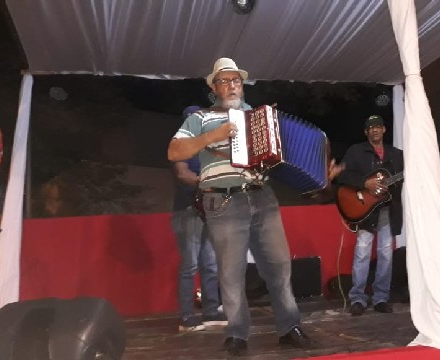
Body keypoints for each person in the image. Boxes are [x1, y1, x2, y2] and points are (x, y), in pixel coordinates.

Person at [168, 57, 312, 356]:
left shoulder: (259, 117)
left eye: (236, 80)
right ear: (213, 86)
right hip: (223, 199)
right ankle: (237, 334)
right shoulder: (201, 118)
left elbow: (280, 158)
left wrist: (311, 170)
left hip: (262, 195)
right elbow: (174, 151)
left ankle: (289, 327)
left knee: (279, 266)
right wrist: (212, 136)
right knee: (231, 272)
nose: (232, 85)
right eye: (225, 80)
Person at [336, 114, 404, 316]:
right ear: (366, 132)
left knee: (385, 254)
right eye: (370, 127)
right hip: (365, 210)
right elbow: (343, 175)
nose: (374, 130)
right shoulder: (356, 151)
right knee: (362, 252)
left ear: (384, 129)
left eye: (378, 126)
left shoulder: (397, 155)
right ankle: (357, 298)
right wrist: (364, 183)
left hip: (387, 209)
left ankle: (381, 298)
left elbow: (403, 179)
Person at [170, 151, 227, 332]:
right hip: (188, 210)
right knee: (190, 265)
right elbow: (182, 173)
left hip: (209, 210)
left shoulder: (212, 149)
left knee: (210, 264)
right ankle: (187, 316)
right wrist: (207, 182)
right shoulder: (182, 145)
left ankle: (211, 312)